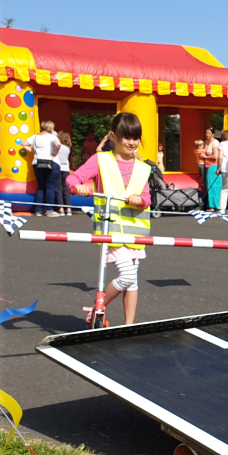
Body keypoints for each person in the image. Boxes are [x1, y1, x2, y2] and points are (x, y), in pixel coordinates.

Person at [65, 113, 152, 325]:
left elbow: (147, 198)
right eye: (126, 137)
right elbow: (72, 179)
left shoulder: (142, 167)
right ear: (113, 136)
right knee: (127, 276)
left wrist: (138, 200)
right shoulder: (100, 160)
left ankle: (129, 326)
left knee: (133, 282)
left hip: (136, 233)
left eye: (135, 137)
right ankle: (97, 308)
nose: (131, 142)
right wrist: (80, 188)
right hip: (111, 231)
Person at [27, 120, 61, 216]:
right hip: (51, 162)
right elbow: (58, 144)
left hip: (37, 163)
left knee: (41, 187)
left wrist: (34, 151)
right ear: (50, 128)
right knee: (50, 187)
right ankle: (49, 210)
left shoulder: (35, 137)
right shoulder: (52, 136)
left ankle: (38, 210)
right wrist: (55, 152)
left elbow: (24, 143)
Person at [53, 131, 74, 216]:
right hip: (66, 168)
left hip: (58, 167)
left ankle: (61, 208)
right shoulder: (68, 148)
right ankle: (68, 208)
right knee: (65, 188)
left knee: (58, 188)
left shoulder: (58, 147)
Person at [201, 127, 220, 210]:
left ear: (213, 134)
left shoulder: (215, 143)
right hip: (206, 166)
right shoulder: (206, 142)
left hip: (213, 166)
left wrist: (205, 156)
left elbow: (215, 156)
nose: (207, 135)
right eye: (206, 133)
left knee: (212, 186)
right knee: (207, 186)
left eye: (209, 133)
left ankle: (213, 206)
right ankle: (210, 204)